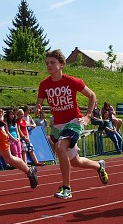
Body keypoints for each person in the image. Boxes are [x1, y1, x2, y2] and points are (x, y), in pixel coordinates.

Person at [35, 49, 109, 200]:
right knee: (75, 161)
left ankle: (66, 188)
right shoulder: (44, 84)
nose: (49, 65)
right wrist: (37, 107)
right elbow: (39, 103)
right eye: (47, 63)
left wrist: (88, 116)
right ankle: (99, 166)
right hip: (58, 125)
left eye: (52, 62)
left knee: (60, 148)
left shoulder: (72, 81)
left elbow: (92, 95)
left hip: (74, 122)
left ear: (61, 65)